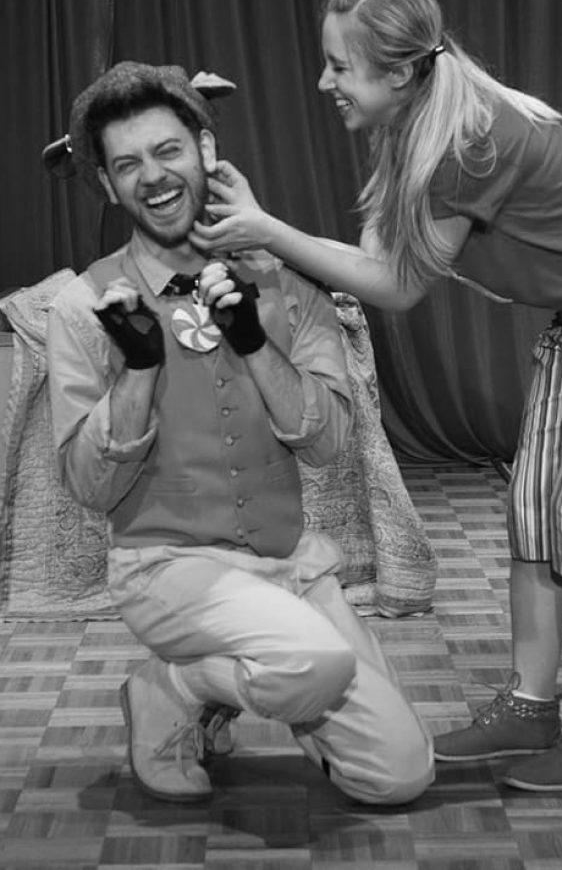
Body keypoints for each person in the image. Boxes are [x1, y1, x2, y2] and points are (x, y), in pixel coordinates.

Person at [188, 0, 562, 792]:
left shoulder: (466, 143)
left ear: (399, 72)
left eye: (339, 66)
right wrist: (265, 227)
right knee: (535, 508)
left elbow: (393, 285)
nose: (323, 82)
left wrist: (269, 230)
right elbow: (372, 259)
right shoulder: (411, 124)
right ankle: (531, 705)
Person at [46, 60, 434, 806]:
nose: (152, 177)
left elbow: (327, 445)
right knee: (313, 661)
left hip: (290, 566)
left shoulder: (288, 282)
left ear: (204, 148)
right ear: (107, 185)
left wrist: (256, 342)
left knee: (399, 775)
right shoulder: (85, 307)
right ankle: (176, 685)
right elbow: (89, 488)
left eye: (168, 150)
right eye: (126, 165)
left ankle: (200, 685)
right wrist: (137, 372)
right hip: (167, 568)